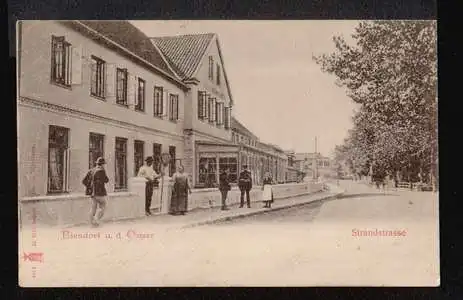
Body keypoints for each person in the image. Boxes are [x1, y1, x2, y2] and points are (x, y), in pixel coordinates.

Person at [82, 157, 109, 227]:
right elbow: (106, 180)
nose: (104, 165)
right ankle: (97, 219)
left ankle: (91, 223)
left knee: (93, 207)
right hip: (99, 193)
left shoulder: (91, 170)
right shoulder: (101, 171)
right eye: (104, 164)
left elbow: (84, 181)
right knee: (103, 206)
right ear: (102, 164)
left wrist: (90, 188)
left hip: (92, 193)